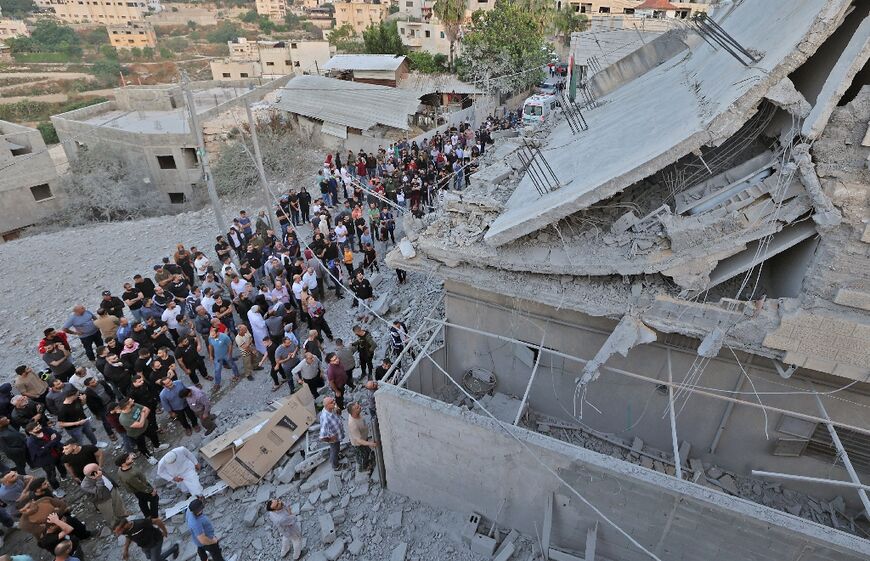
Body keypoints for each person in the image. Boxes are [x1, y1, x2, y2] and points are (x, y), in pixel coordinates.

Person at [115, 453, 168, 535]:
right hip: (141, 489)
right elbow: (140, 486)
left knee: (142, 501)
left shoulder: (120, 469)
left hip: (136, 490)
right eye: (128, 459)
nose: (131, 459)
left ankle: (147, 516)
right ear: (123, 464)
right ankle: (154, 518)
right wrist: (151, 490)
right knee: (154, 498)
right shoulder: (130, 476)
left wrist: (130, 457)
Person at [24, 421, 67, 496]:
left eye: (39, 426)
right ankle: (56, 489)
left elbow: (58, 436)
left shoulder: (45, 429)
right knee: (51, 475)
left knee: (61, 466)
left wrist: (46, 446)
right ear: (30, 432)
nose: (39, 428)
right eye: (36, 428)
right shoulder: (31, 442)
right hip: (46, 461)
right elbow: (40, 452)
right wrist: (52, 441)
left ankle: (63, 476)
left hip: (57, 453)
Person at [114, 516, 179, 561]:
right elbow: (128, 536)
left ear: (126, 525)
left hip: (155, 540)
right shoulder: (124, 531)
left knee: (154, 560)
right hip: (144, 545)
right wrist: (126, 549)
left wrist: (164, 531)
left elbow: (157, 521)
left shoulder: (140, 523)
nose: (118, 534)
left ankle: (174, 548)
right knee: (149, 557)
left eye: (119, 531)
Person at [207, 328, 239, 393]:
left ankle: (236, 375)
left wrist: (230, 355)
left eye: (213, 335)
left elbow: (230, 345)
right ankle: (217, 384)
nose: (211, 337)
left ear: (217, 333)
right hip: (217, 357)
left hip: (226, 355)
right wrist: (210, 355)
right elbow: (210, 346)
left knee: (232, 365)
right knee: (217, 370)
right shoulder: (210, 337)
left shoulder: (224, 337)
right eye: (211, 335)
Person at [348, 402, 377, 472]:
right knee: (362, 456)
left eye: (359, 406)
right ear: (353, 412)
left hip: (364, 438)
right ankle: (363, 468)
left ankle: (367, 458)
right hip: (359, 444)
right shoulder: (353, 424)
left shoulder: (356, 414)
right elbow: (359, 441)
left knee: (366, 451)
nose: (360, 407)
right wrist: (370, 443)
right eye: (357, 408)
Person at [318, 397, 344, 471]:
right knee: (334, 450)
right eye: (332, 402)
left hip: (338, 434)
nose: (334, 403)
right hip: (334, 439)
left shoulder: (332, 408)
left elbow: (339, 413)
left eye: (334, 401)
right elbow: (322, 437)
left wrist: (338, 410)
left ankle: (337, 455)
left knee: (337, 449)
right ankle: (335, 465)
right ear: (327, 406)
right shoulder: (325, 418)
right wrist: (330, 439)